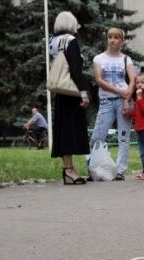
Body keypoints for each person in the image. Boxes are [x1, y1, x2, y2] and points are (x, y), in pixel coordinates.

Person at [49, 11, 90, 185]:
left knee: (64, 132)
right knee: (71, 131)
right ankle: (69, 170)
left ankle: (68, 169)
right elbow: (75, 71)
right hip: (72, 93)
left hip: (61, 94)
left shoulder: (52, 41)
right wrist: (84, 93)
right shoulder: (71, 41)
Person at [90, 27, 136, 181]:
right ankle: (92, 168)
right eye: (110, 37)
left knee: (124, 137)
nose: (112, 40)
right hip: (106, 102)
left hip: (123, 102)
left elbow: (133, 79)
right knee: (97, 136)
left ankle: (121, 170)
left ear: (122, 41)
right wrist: (120, 91)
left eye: (116, 37)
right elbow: (99, 80)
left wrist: (126, 97)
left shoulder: (126, 59)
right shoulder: (99, 58)